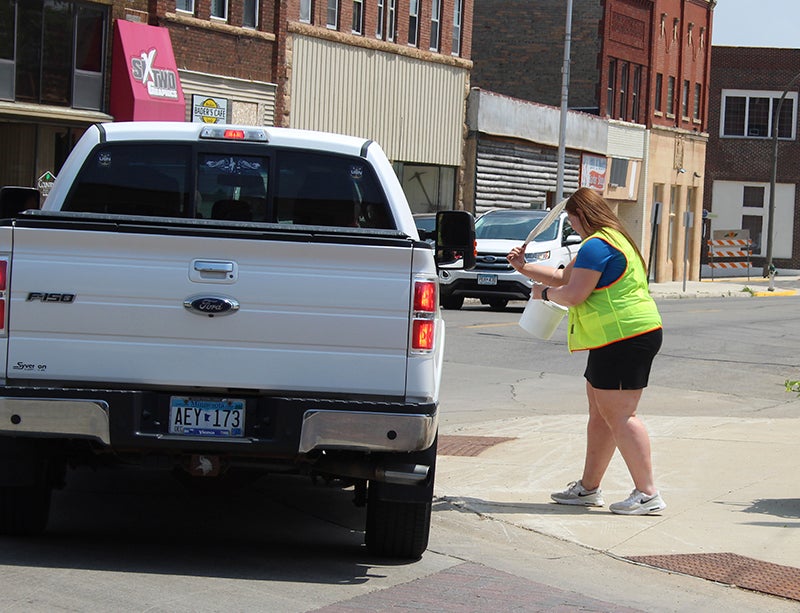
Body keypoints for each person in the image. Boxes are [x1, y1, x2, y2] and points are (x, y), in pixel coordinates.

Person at [507, 187, 666, 515]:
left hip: (624, 337)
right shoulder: (614, 238)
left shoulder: (596, 244)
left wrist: (545, 295)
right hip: (617, 338)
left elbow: (573, 293)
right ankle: (588, 489)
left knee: (621, 415)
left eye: (571, 220)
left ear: (581, 216)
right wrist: (525, 268)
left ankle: (648, 494)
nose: (572, 226)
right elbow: (566, 276)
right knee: (602, 415)